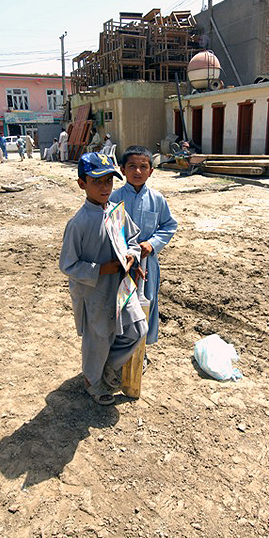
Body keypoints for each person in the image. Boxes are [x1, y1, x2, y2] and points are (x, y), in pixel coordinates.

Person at [59, 152, 148, 405]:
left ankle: (109, 366)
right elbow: (68, 265)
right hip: (94, 291)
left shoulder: (117, 212)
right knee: (98, 339)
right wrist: (100, 269)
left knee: (137, 328)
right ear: (82, 184)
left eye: (109, 180)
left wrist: (132, 257)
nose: (104, 187)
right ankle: (92, 380)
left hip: (121, 285)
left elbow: (133, 241)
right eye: (96, 181)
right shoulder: (78, 223)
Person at [110, 145, 177, 370]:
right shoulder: (114, 198)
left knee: (146, 305)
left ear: (151, 171)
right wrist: (124, 253)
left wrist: (152, 243)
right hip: (121, 264)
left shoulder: (157, 199)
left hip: (148, 265)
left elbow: (168, 225)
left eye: (143, 167)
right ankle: (118, 353)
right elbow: (108, 229)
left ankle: (141, 352)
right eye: (132, 166)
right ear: (122, 170)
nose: (137, 171)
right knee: (121, 306)